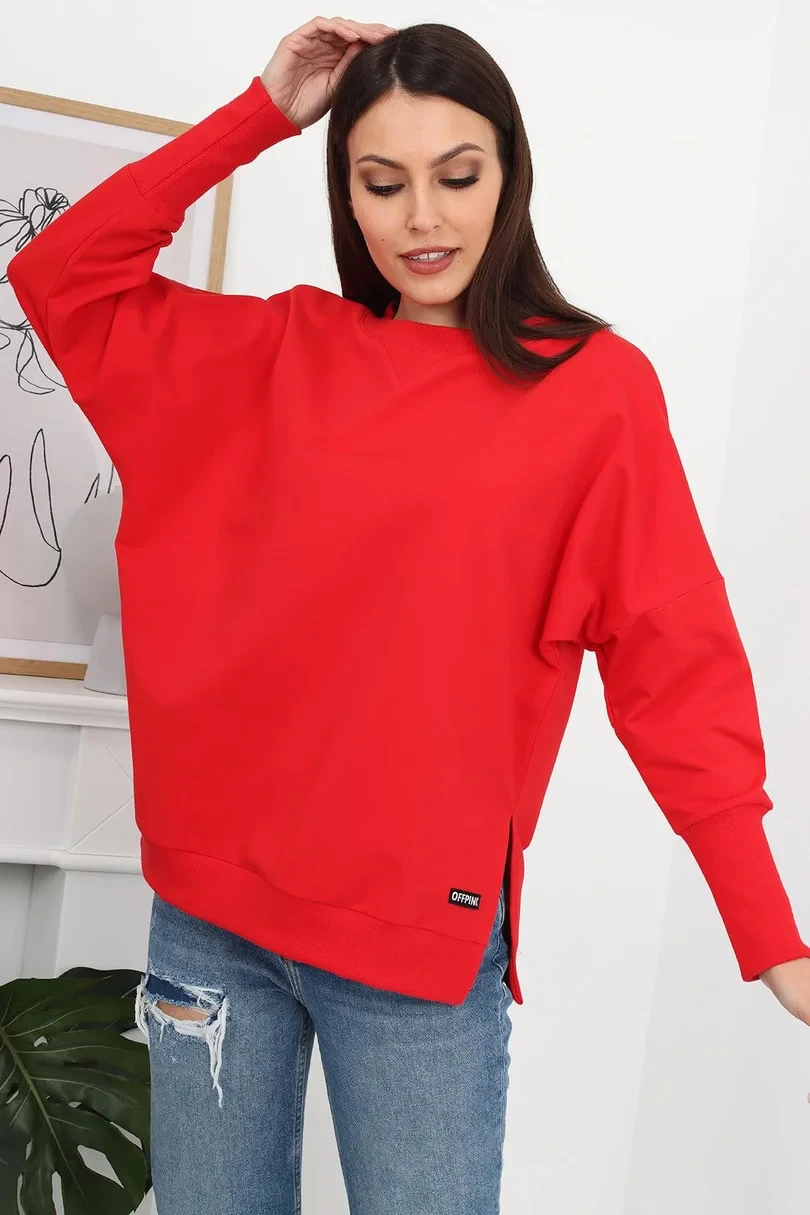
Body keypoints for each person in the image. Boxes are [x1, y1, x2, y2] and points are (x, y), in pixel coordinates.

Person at [8, 15, 810, 1214]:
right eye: (382, 183)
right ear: (346, 192)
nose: (423, 218)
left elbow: (673, 657)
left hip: (416, 951)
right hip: (212, 924)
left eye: (457, 175)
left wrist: (769, 931)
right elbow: (59, 276)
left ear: (510, 176)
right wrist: (261, 115)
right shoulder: (274, 352)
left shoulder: (593, 392)